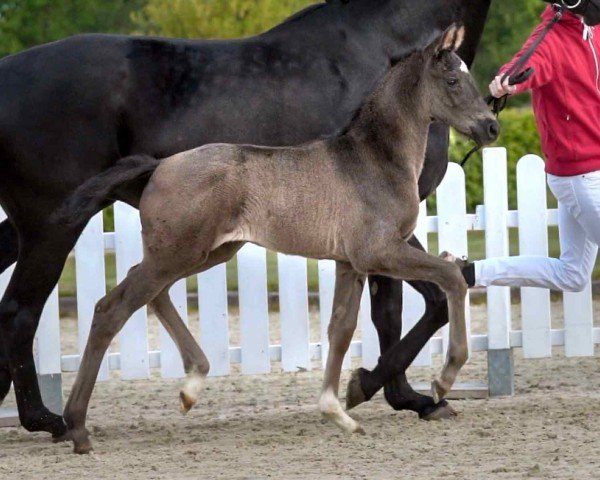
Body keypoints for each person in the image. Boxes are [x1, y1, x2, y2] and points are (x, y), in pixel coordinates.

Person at [461, 3, 600, 292]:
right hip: (582, 178)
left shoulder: (593, 29)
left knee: (572, 276)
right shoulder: (551, 40)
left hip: (588, 173)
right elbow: (524, 63)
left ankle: (469, 274)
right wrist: (505, 81)